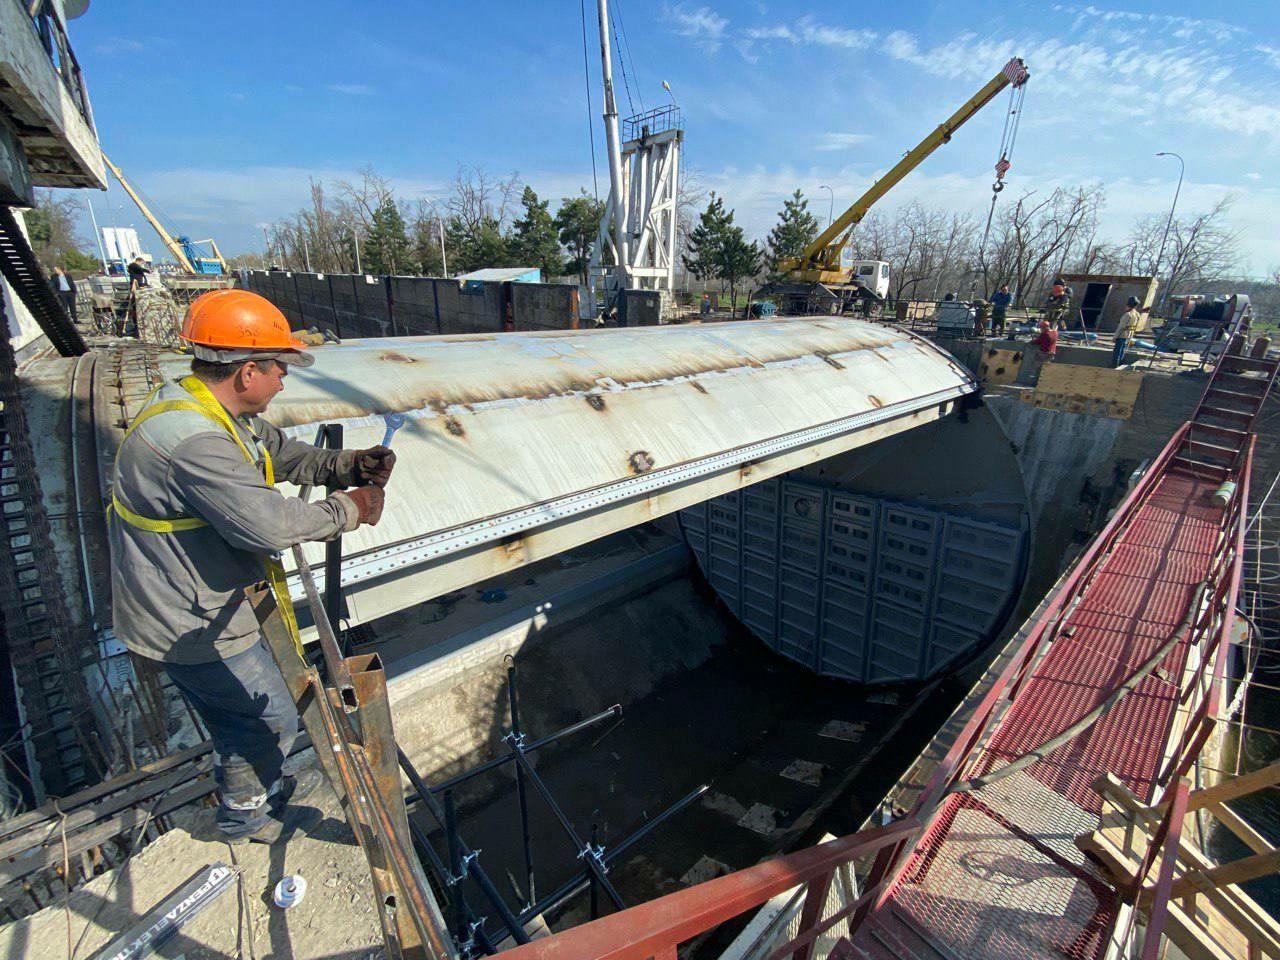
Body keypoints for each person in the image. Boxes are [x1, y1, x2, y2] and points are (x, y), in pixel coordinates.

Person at [108, 290, 396, 844]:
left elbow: (282, 456)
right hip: (187, 617)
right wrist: (349, 509)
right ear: (247, 373)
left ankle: (260, 787)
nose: (284, 382)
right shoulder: (194, 442)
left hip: (208, 596)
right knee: (267, 718)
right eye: (279, 369)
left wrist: (346, 464)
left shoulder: (212, 411)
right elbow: (267, 526)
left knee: (247, 714)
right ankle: (247, 817)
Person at [1113, 295, 1147, 368]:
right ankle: (1119, 365)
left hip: (1122, 335)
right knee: (1122, 352)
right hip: (1129, 335)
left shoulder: (1127, 315)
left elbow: (1120, 327)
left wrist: (1115, 337)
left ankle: (1114, 366)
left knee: (1117, 353)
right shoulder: (1137, 314)